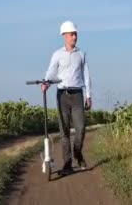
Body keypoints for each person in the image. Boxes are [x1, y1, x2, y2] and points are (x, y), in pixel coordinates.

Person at [42, 20, 92, 176]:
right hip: (62, 95)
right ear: (64, 36)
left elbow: (86, 76)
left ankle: (77, 153)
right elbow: (51, 72)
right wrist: (46, 82)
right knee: (64, 132)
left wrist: (88, 95)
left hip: (77, 95)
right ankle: (67, 164)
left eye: (75, 34)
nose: (74, 37)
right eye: (71, 34)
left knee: (81, 128)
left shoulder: (81, 54)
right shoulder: (57, 54)